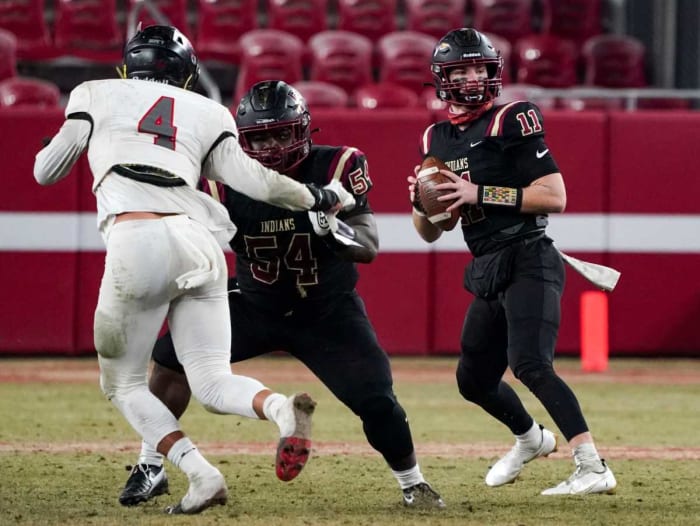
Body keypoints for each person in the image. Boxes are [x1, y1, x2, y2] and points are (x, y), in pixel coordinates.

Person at [33, 25, 354, 515]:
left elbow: (46, 171)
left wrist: (69, 139)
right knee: (211, 380)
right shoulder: (207, 110)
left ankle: (200, 473)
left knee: (122, 384)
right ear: (186, 74)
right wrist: (319, 196)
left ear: (128, 65)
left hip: (136, 239)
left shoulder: (94, 92)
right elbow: (258, 181)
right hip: (200, 244)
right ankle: (280, 408)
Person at [119, 80, 445, 509]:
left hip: (327, 311)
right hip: (255, 302)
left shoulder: (336, 167)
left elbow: (367, 246)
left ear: (304, 130)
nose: (272, 146)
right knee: (168, 359)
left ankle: (413, 483)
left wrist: (335, 230)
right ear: (242, 140)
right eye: (261, 137)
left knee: (377, 400)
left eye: (282, 133)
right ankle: (150, 465)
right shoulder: (221, 181)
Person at [407, 28, 617, 496]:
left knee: (531, 363)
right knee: (472, 379)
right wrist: (423, 205)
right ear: (443, 77)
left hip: (529, 255)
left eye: (480, 67)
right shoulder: (435, 136)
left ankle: (592, 465)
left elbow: (555, 196)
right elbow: (429, 232)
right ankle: (530, 438)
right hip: (488, 264)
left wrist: (477, 192)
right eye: (462, 69)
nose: (474, 76)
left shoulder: (512, 117)